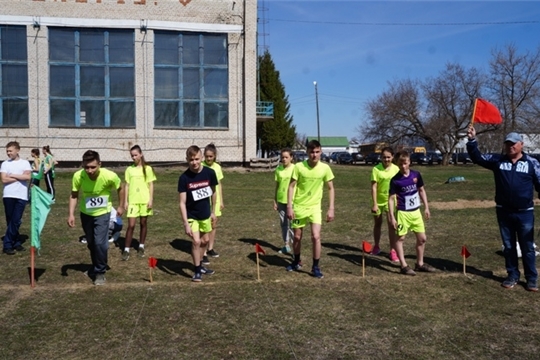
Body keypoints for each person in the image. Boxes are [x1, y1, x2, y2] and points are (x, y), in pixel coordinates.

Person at [467, 127, 540, 291]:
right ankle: (512, 275)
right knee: (508, 246)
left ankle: (531, 279)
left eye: (514, 144)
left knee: (527, 247)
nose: (510, 147)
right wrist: (472, 141)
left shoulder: (532, 163)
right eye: (507, 144)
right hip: (504, 211)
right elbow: (477, 158)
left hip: (525, 213)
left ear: (521, 144)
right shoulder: (498, 161)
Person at [67, 150, 124, 286]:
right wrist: (71, 214)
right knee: (92, 243)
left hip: (103, 213)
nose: (90, 170)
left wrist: (121, 205)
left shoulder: (109, 175)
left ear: (100, 164)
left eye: (93, 167)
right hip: (86, 214)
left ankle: (100, 272)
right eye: (86, 167)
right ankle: (96, 265)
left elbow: (120, 188)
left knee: (100, 243)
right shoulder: (78, 176)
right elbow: (74, 195)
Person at [286, 140, 335, 279]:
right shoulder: (299, 167)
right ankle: (296, 261)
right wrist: (290, 206)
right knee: (297, 236)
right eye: (312, 152)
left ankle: (315, 267)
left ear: (321, 152)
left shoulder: (325, 168)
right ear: (307, 152)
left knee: (316, 236)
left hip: (315, 208)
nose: (314, 155)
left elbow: (331, 188)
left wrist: (331, 208)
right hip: (299, 206)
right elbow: (291, 187)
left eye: (317, 152)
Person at [388, 150, 435, 276]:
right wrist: (392, 217)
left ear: (410, 162)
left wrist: (426, 207)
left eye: (405, 163)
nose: (403, 166)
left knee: (422, 239)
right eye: (400, 164)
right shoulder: (395, 180)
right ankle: (403, 265)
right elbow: (391, 199)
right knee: (400, 238)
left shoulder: (416, 175)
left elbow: (421, 190)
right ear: (397, 164)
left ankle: (420, 264)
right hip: (403, 213)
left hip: (416, 213)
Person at [178, 145, 218, 282]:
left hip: (205, 214)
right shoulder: (184, 178)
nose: (194, 162)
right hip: (191, 215)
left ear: (201, 158)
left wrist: (213, 212)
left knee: (205, 241)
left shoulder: (210, 173)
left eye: (196, 159)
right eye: (191, 160)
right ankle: (196, 271)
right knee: (196, 241)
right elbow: (182, 203)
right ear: (187, 160)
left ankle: (200, 265)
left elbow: (213, 192)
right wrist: (185, 224)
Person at [122, 145, 156, 260]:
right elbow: (126, 185)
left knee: (143, 223)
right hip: (133, 201)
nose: (133, 157)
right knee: (131, 225)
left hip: (144, 201)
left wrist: (150, 199)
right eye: (132, 156)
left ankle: (141, 246)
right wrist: (125, 201)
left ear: (141, 154)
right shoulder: (129, 170)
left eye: (135, 155)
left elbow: (151, 184)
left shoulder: (148, 169)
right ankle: (126, 249)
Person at [1, 141, 32, 255]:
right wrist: (20, 177)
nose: (8, 153)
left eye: (10, 151)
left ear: (17, 150)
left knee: (16, 220)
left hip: (21, 195)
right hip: (8, 195)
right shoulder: (5, 164)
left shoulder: (25, 163)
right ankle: (16, 242)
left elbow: (28, 176)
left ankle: (7, 244)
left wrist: (12, 175)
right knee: (11, 220)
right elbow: (4, 180)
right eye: (7, 151)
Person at [370, 147, 400, 261]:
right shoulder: (376, 169)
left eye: (388, 157)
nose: (386, 159)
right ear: (381, 157)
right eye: (384, 157)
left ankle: (392, 251)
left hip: (391, 201)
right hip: (378, 201)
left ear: (392, 157)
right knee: (378, 223)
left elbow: (399, 186)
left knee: (391, 226)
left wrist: (399, 200)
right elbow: (373, 187)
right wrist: (375, 204)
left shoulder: (396, 169)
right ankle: (376, 246)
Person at [201, 143, 224, 264]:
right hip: (205, 199)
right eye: (206, 156)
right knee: (205, 225)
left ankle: (210, 248)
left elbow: (219, 184)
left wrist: (222, 201)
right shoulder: (201, 166)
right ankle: (203, 252)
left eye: (211, 156)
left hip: (216, 199)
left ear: (214, 156)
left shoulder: (217, 168)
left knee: (214, 224)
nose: (208, 159)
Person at [274, 148, 295, 254]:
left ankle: (295, 248)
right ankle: (286, 245)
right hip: (281, 200)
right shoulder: (278, 169)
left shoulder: (295, 169)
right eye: (282, 157)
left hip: (292, 201)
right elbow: (277, 186)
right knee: (283, 223)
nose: (284, 159)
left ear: (291, 158)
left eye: (286, 157)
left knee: (293, 224)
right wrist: (275, 200)